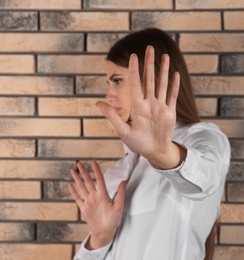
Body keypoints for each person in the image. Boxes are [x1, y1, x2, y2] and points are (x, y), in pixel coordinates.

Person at [68, 28, 231, 260]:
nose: (109, 95)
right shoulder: (117, 175)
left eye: (117, 81)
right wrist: (99, 238)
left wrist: (162, 153)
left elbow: (205, 180)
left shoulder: (203, 139)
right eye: (108, 83)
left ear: (151, 79)